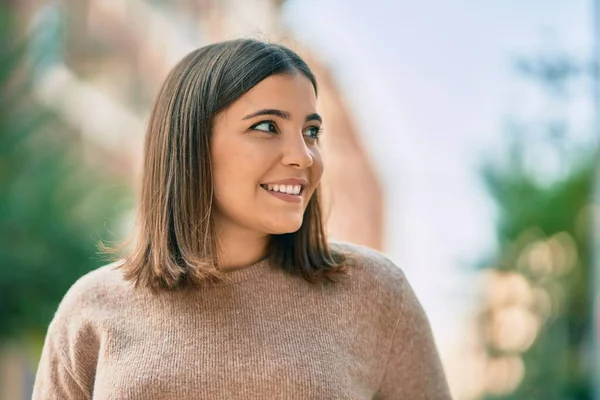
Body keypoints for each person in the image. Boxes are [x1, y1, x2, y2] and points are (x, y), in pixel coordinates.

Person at [32, 38, 452, 399]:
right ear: (191, 144)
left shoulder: (376, 293)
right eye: (268, 126)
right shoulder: (91, 308)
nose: (303, 156)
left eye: (311, 131)